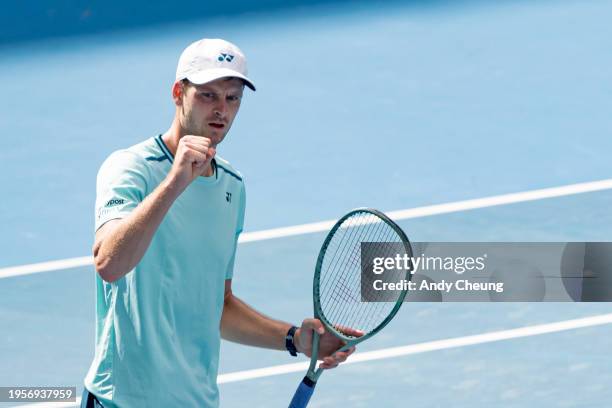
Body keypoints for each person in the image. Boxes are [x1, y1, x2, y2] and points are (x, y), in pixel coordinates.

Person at [82, 38, 359, 408]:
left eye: (232, 98)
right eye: (208, 95)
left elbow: (219, 305)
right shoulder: (131, 169)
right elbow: (109, 264)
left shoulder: (232, 188)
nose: (221, 110)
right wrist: (176, 182)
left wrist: (294, 338)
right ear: (178, 93)